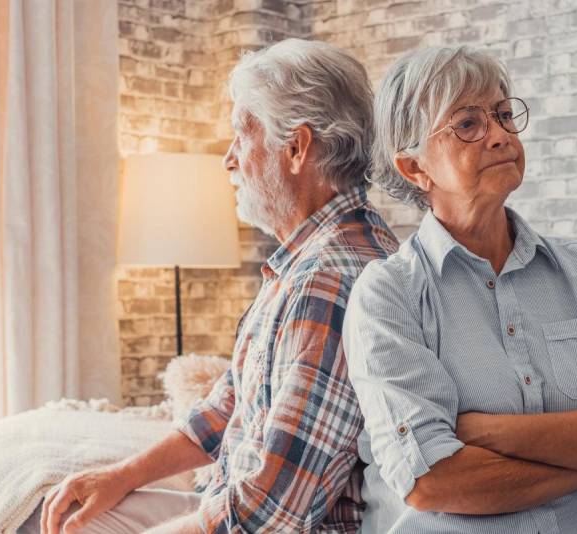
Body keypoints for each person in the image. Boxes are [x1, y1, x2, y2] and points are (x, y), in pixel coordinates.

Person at [24, 38, 398, 534]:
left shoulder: (329, 281)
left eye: (241, 136)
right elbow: (226, 408)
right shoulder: (306, 260)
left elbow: (272, 509)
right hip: (223, 505)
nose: (228, 159)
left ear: (296, 147)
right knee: (58, 512)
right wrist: (120, 476)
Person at [342, 45, 577, 534]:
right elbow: (434, 481)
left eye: (503, 115)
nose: (499, 136)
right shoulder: (388, 295)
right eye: (467, 124)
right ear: (415, 168)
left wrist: (488, 431)